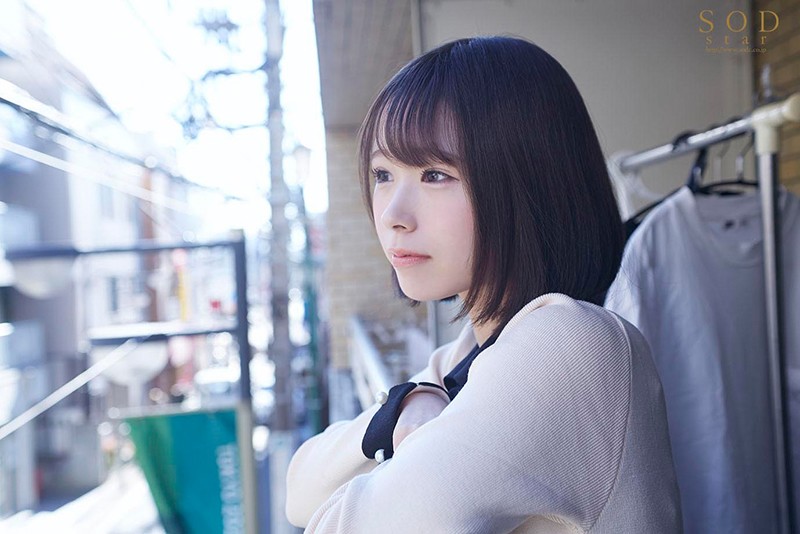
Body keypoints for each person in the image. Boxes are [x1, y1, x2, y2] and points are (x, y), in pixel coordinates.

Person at [285, 35, 682, 533]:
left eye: (434, 175)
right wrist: (405, 405)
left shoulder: (567, 345)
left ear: (528, 181)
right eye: (383, 174)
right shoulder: (465, 357)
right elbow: (297, 493)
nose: (392, 215)